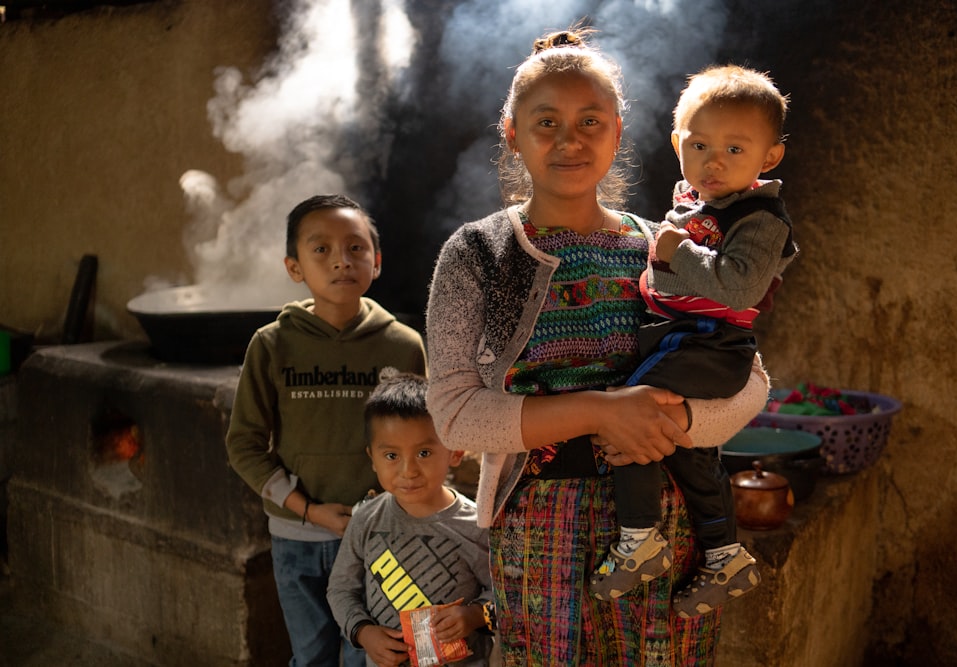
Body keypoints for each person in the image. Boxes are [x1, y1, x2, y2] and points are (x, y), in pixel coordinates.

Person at [425, 28, 770, 666]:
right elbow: (452, 412)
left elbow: (749, 378)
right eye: (546, 122)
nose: (569, 139)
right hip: (538, 529)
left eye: (589, 121)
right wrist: (606, 412)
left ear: (616, 131)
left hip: (665, 523)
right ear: (513, 132)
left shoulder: (666, 249)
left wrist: (678, 420)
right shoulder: (478, 254)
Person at [592, 65, 799, 617]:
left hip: (714, 346)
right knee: (689, 452)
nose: (714, 161)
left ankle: (639, 541)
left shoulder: (761, 217)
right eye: (700, 144)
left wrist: (675, 252)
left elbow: (738, 287)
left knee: (630, 417)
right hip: (679, 340)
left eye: (736, 148)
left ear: (769, 158)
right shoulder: (692, 202)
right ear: (676, 142)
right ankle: (726, 554)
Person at [225, 194, 427, 667]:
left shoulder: (403, 344)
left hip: (380, 538)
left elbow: (422, 440)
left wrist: (392, 502)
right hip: (296, 538)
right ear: (294, 268)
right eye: (322, 250)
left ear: (376, 262)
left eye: (356, 248)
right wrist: (308, 510)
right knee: (311, 655)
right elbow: (244, 443)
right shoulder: (272, 345)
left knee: (371, 657)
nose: (342, 260)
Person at [327, 369, 494, 667]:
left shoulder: (476, 524)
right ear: (372, 459)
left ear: (455, 451)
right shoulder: (366, 518)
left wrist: (474, 616)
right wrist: (364, 633)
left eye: (425, 453)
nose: (408, 471)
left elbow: (502, 594)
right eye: (391, 456)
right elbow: (341, 588)